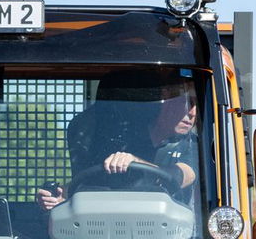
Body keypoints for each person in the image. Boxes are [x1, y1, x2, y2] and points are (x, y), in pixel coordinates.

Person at [38, 74, 197, 213]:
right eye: (188, 102)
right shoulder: (120, 140)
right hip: (108, 232)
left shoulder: (193, 144)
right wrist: (62, 197)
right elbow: (94, 180)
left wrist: (136, 162)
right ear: (165, 98)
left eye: (197, 105)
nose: (193, 113)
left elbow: (183, 176)